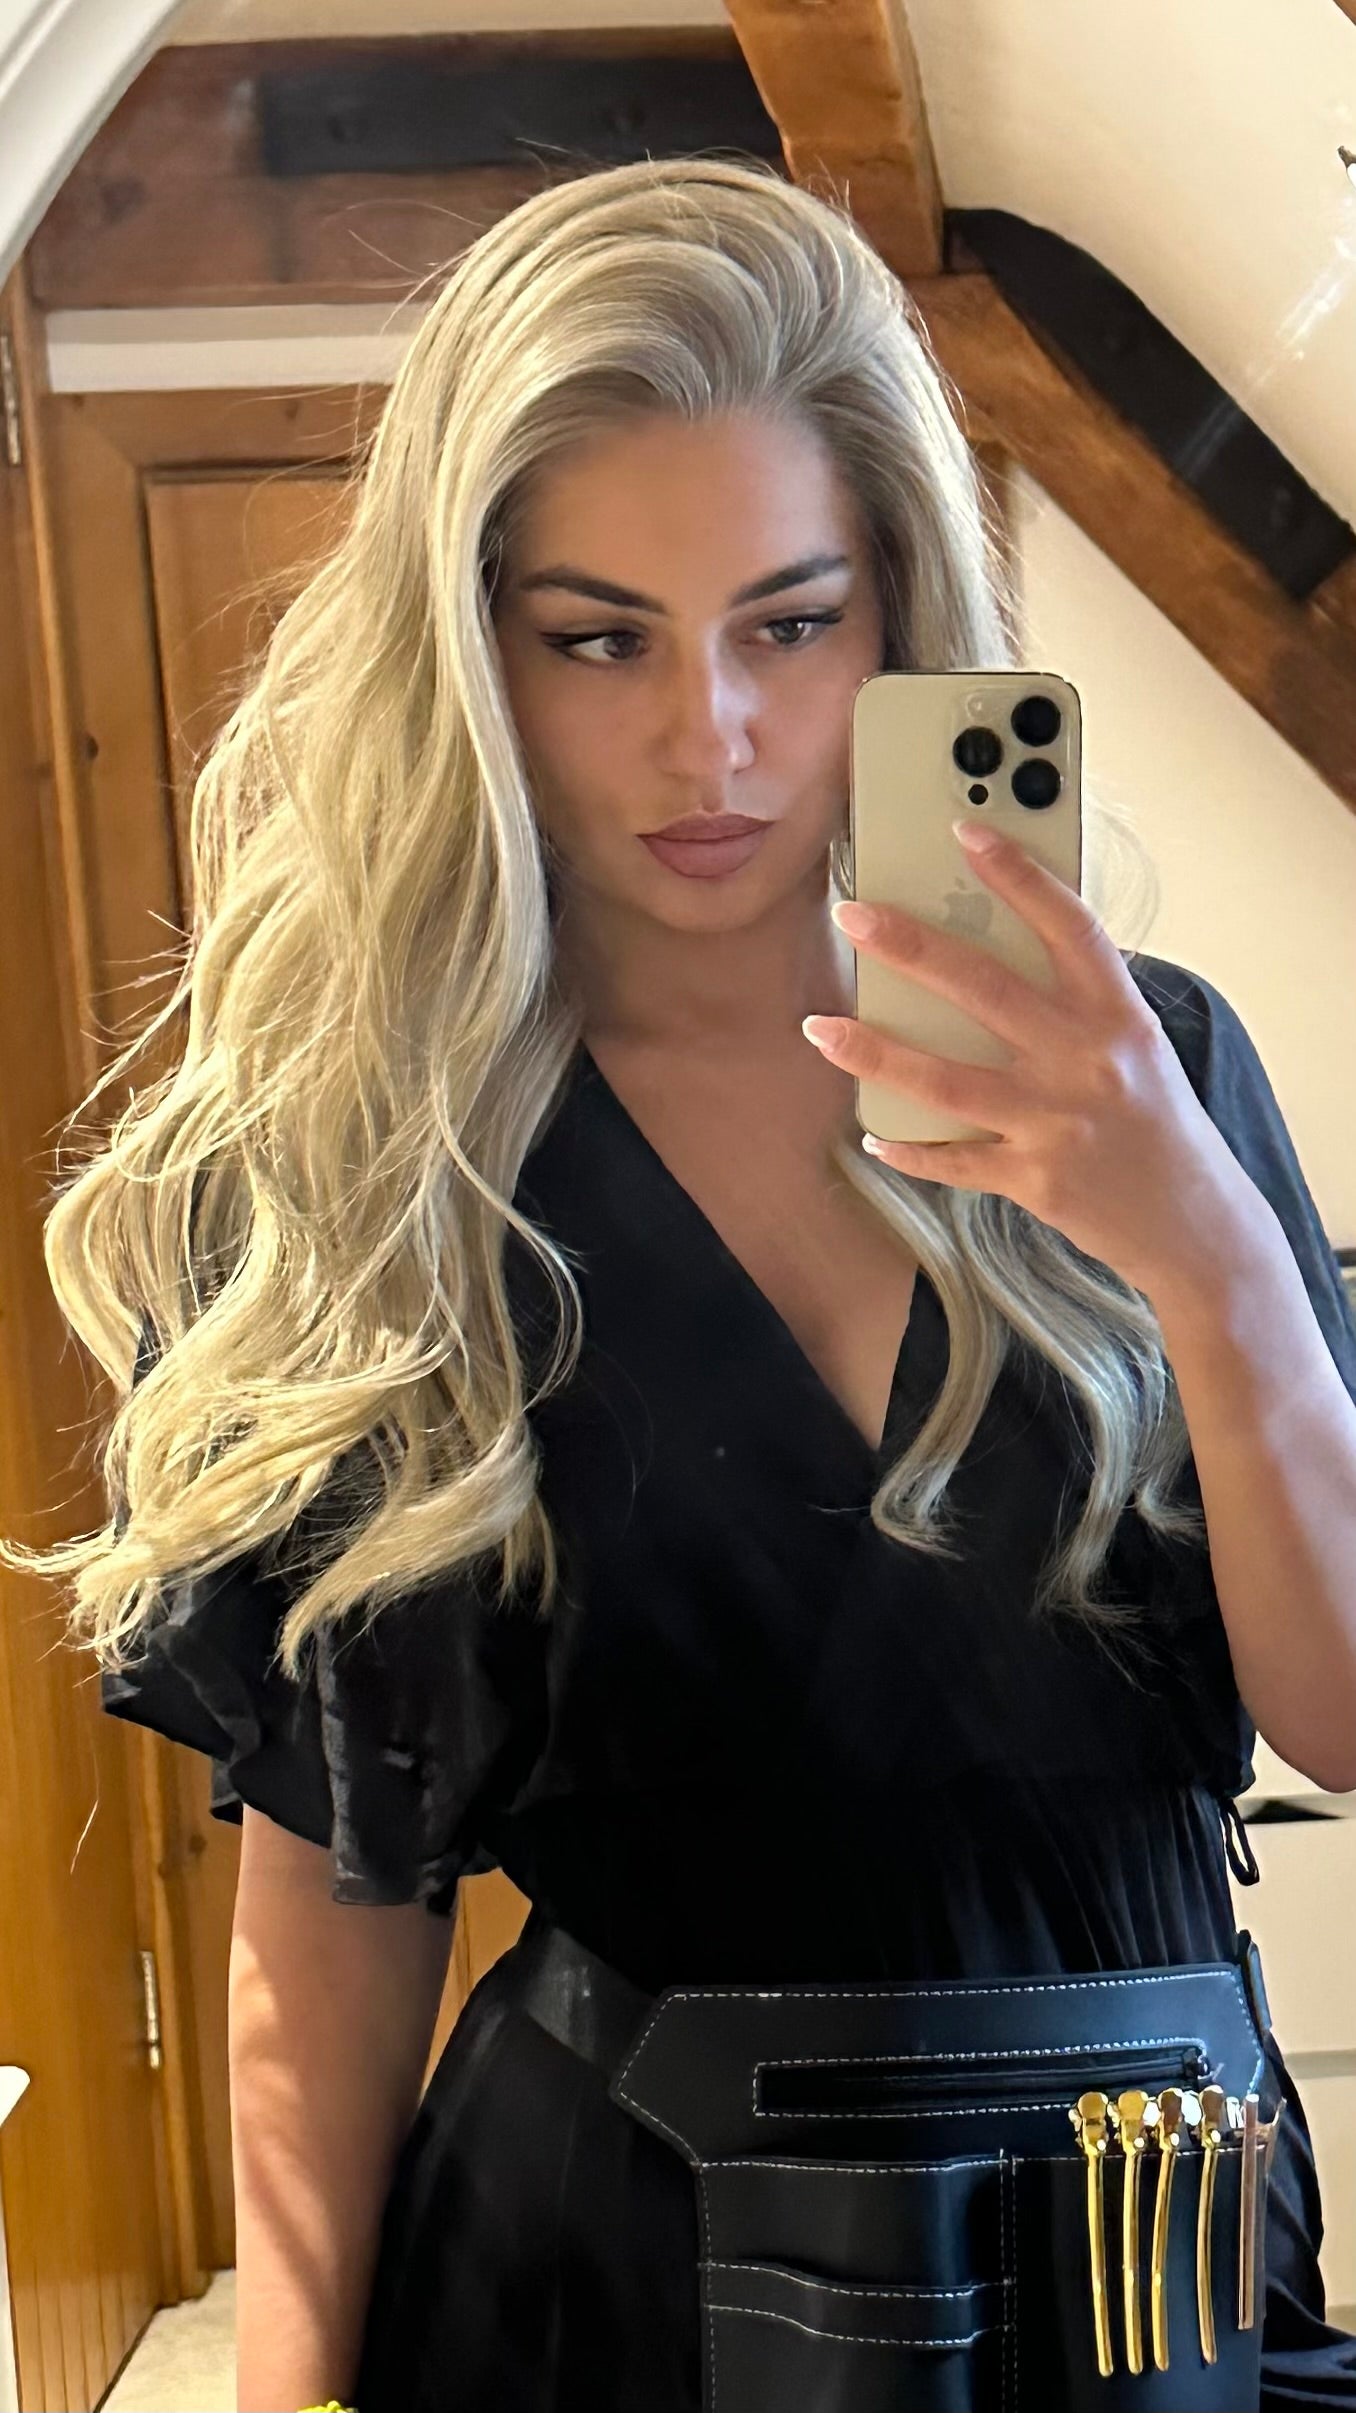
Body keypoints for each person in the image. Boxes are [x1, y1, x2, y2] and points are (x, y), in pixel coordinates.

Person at [13, 156, 1356, 2412]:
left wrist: (1206, 1248)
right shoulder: (361, 1173)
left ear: (900, 608)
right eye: (601, 637)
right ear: (472, 648)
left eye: (789, 624)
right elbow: (337, 1899)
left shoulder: (1160, 1078)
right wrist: (292, 2394)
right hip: (609, 2279)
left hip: (1141, 2265)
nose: (707, 735)